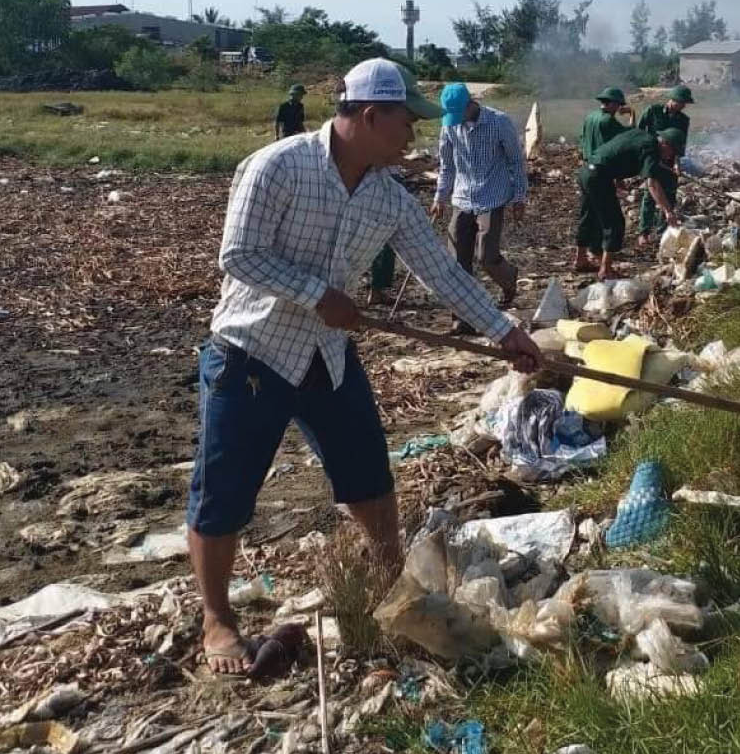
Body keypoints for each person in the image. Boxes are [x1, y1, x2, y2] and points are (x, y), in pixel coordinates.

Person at [189, 58, 542, 674]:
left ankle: (387, 587)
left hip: (325, 356)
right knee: (225, 491)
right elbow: (238, 255)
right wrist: (316, 294)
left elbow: (440, 271)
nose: (413, 138)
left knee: (369, 478)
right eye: (406, 123)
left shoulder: (388, 197)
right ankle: (217, 621)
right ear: (370, 115)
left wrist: (504, 330)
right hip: (251, 352)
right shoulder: (278, 166)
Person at [432, 83, 527, 334]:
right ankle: (462, 319)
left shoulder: (499, 122)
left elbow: (516, 160)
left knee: (486, 257)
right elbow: (447, 166)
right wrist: (439, 197)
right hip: (462, 198)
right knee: (457, 263)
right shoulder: (449, 125)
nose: (455, 120)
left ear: (470, 105)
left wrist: (520, 197)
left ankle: (509, 279)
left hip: (492, 196)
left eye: (459, 114)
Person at [573, 127, 683, 280]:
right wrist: (668, 211)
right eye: (673, 151)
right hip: (599, 177)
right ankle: (605, 269)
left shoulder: (639, 134)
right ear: (665, 144)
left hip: (586, 171)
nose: (671, 156)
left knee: (588, 216)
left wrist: (618, 177)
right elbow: (652, 183)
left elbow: (618, 148)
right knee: (615, 222)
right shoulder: (652, 149)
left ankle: (581, 260)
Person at [635, 85, 692, 245]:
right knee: (650, 195)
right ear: (673, 100)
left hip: (669, 159)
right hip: (652, 158)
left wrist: (676, 163)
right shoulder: (653, 111)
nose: (683, 106)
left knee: (670, 195)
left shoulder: (683, 120)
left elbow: (680, 144)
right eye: (681, 102)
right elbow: (639, 132)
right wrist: (645, 154)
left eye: (685, 103)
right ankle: (644, 232)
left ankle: (662, 232)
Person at [580, 86, 633, 160]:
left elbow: (582, 139)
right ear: (613, 103)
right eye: (619, 104)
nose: (619, 108)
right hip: (602, 163)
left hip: (589, 161)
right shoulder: (608, 119)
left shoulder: (589, 117)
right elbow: (630, 134)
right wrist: (632, 112)